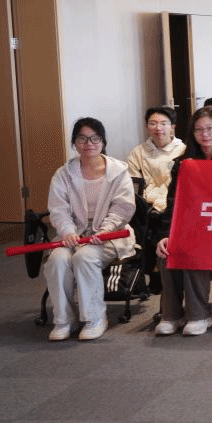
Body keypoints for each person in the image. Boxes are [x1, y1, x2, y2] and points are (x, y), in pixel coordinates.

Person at [154, 106, 212, 336]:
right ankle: (172, 314)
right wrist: (166, 234)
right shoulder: (183, 163)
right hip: (192, 228)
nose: (204, 134)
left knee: (194, 247)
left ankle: (199, 314)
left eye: (210, 128)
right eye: (198, 130)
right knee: (167, 250)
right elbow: (173, 202)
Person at [43, 118, 137, 341]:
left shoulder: (118, 171)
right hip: (73, 236)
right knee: (57, 260)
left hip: (111, 235)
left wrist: (104, 231)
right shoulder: (63, 174)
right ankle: (64, 320)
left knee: (84, 257)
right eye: (82, 139)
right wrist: (67, 232)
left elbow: (123, 208)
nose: (89, 144)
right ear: (75, 143)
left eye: (95, 138)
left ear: (103, 141)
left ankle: (95, 318)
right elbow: (58, 210)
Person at [126, 106, 186, 213]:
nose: (158, 128)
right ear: (146, 127)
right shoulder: (137, 152)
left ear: (172, 127)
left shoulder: (183, 151)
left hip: (175, 206)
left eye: (163, 124)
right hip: (145, 208)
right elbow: (134, 186)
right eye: (153, 123)